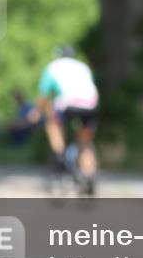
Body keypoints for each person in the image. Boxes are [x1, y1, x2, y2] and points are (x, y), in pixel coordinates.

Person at [32, 46, 100, 193]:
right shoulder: (83, 67)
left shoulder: (52, 67)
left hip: (69, 103)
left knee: (52, 121)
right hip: (91, 104)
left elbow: (44, 96)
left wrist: (37, 113)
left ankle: (59, 153)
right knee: (85, 142)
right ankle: (88, 174)